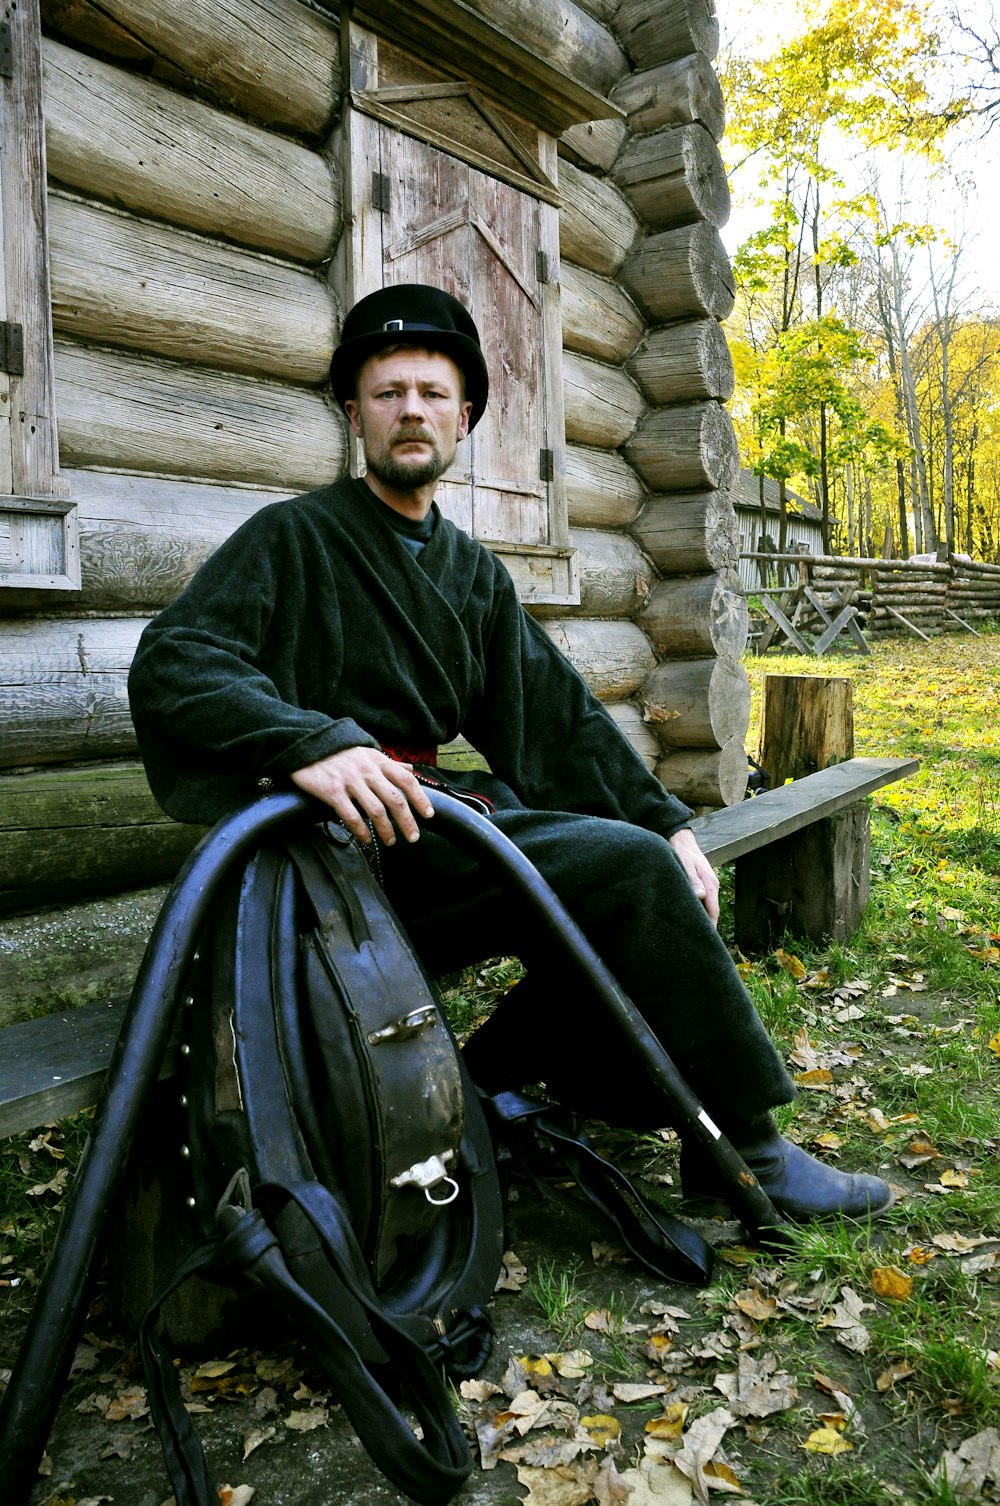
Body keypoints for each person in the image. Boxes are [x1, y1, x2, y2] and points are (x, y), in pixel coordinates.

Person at [128, 283, 891, 1223]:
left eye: (433, 394)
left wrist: (667, 824)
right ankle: (749, 1152)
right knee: (621, 879)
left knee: (635, 878)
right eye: (388, 392)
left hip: (431, 837)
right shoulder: (294, 539)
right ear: (355, 414)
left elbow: (556, 720)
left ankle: (495, 1080)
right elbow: (175, 663)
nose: (412, 410)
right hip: (322, 866)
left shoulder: (469, 573)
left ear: (468, 416)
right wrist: (309, 746)